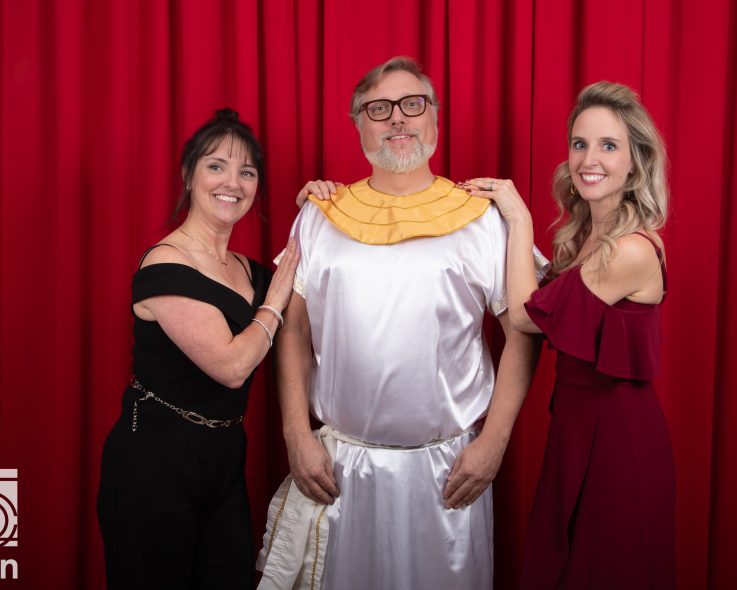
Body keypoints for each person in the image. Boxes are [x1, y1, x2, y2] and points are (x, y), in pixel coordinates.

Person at [256, 57, 546, 590]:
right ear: (358, 125)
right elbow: (292, 331)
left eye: (413, 104)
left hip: (448, 474)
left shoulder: (482, 218)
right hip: (340, 471)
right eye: (379, 108)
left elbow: (524, 335)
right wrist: (296, 433)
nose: (398, 118)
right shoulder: (319, 214)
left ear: (434, 117)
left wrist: (494, 441)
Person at [463, 81, 675, 588]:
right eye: (580, 144)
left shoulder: (630, 250)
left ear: (635, 163)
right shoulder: (588, 238)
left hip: (618, 438)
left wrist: (518, 217)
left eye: (609, 145)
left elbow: (526, 317)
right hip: (576, 430)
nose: (589, 159)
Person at [97, 108, 299, 589]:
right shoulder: (164, 265)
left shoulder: (250, 272)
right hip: (153, 463)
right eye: (216, 166)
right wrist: (274, 303)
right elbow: (231, 365)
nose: (232, 182)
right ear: (190, 176)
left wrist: (322, 204)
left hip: (224, 458)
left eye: (246, 172)